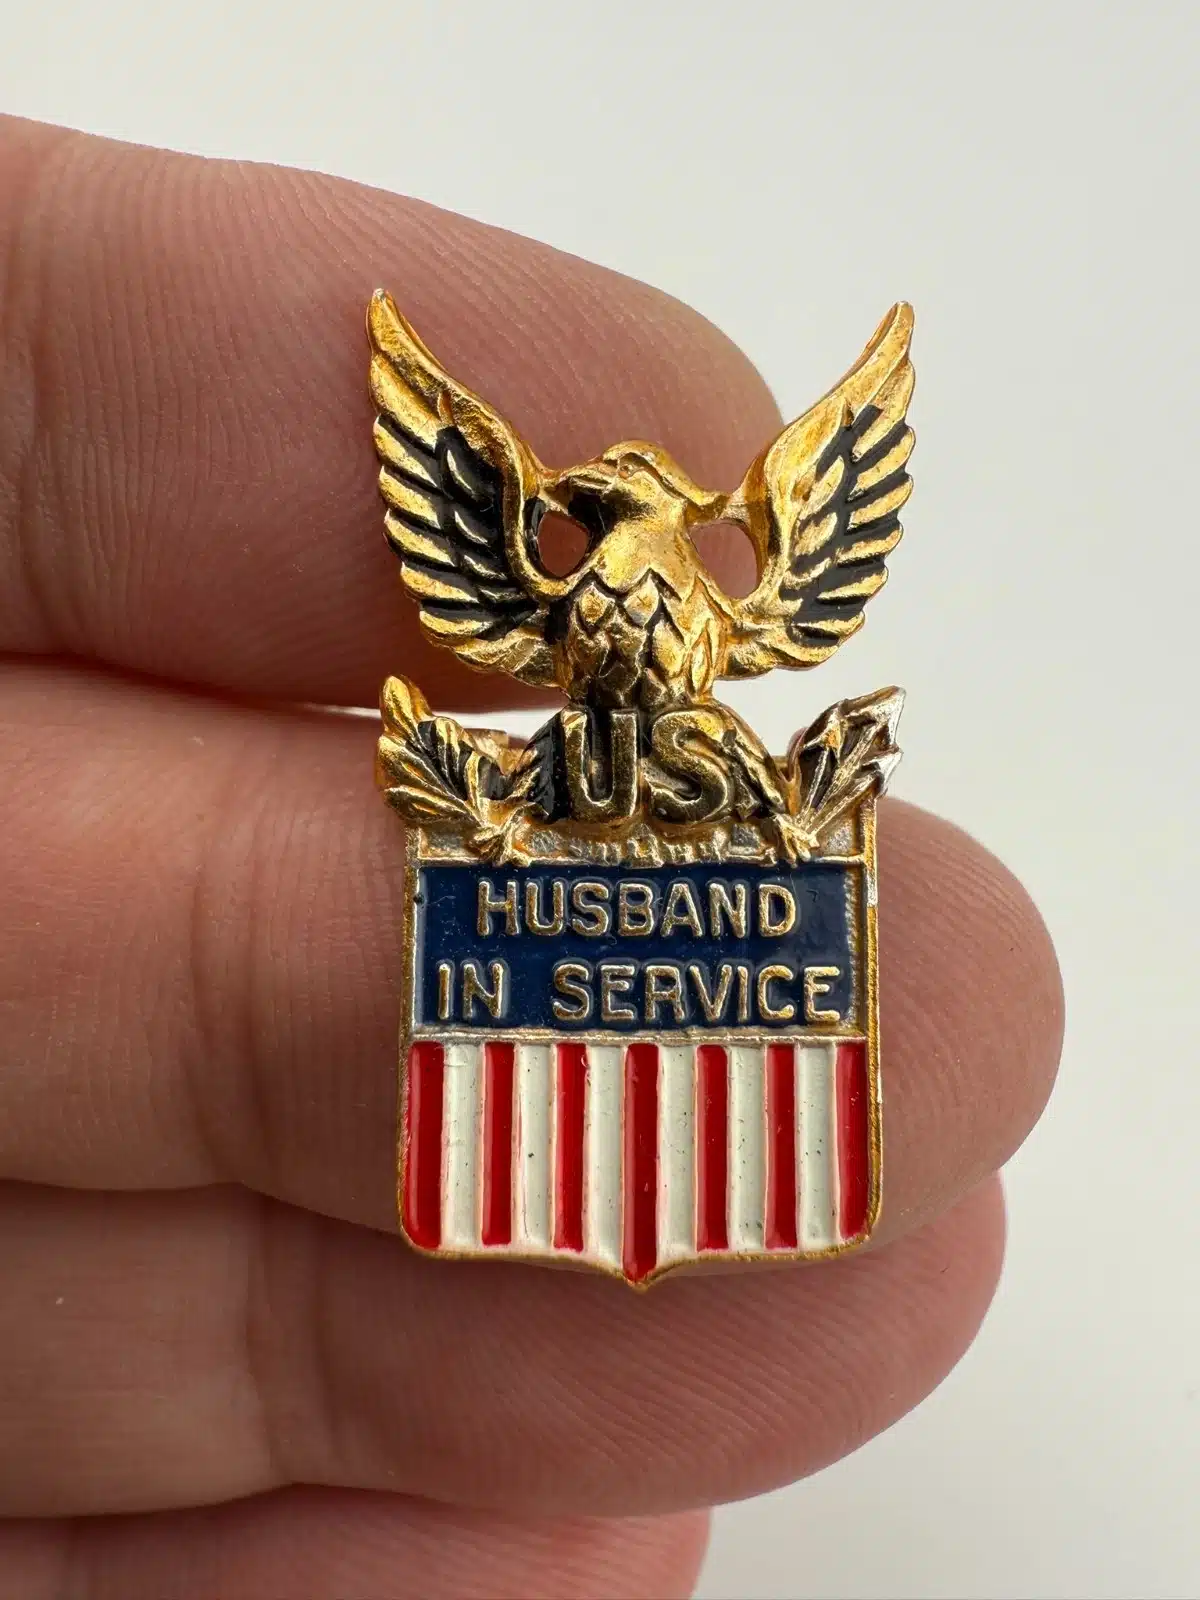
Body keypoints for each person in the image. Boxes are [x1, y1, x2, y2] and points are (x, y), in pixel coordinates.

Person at [0, 115, 1063, 1600]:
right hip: (569, 773)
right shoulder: (556, 597)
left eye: (609, 492)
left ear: (650, 507)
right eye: (586, 494)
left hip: (690, 768)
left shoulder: (722, 596)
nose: (585, 501)